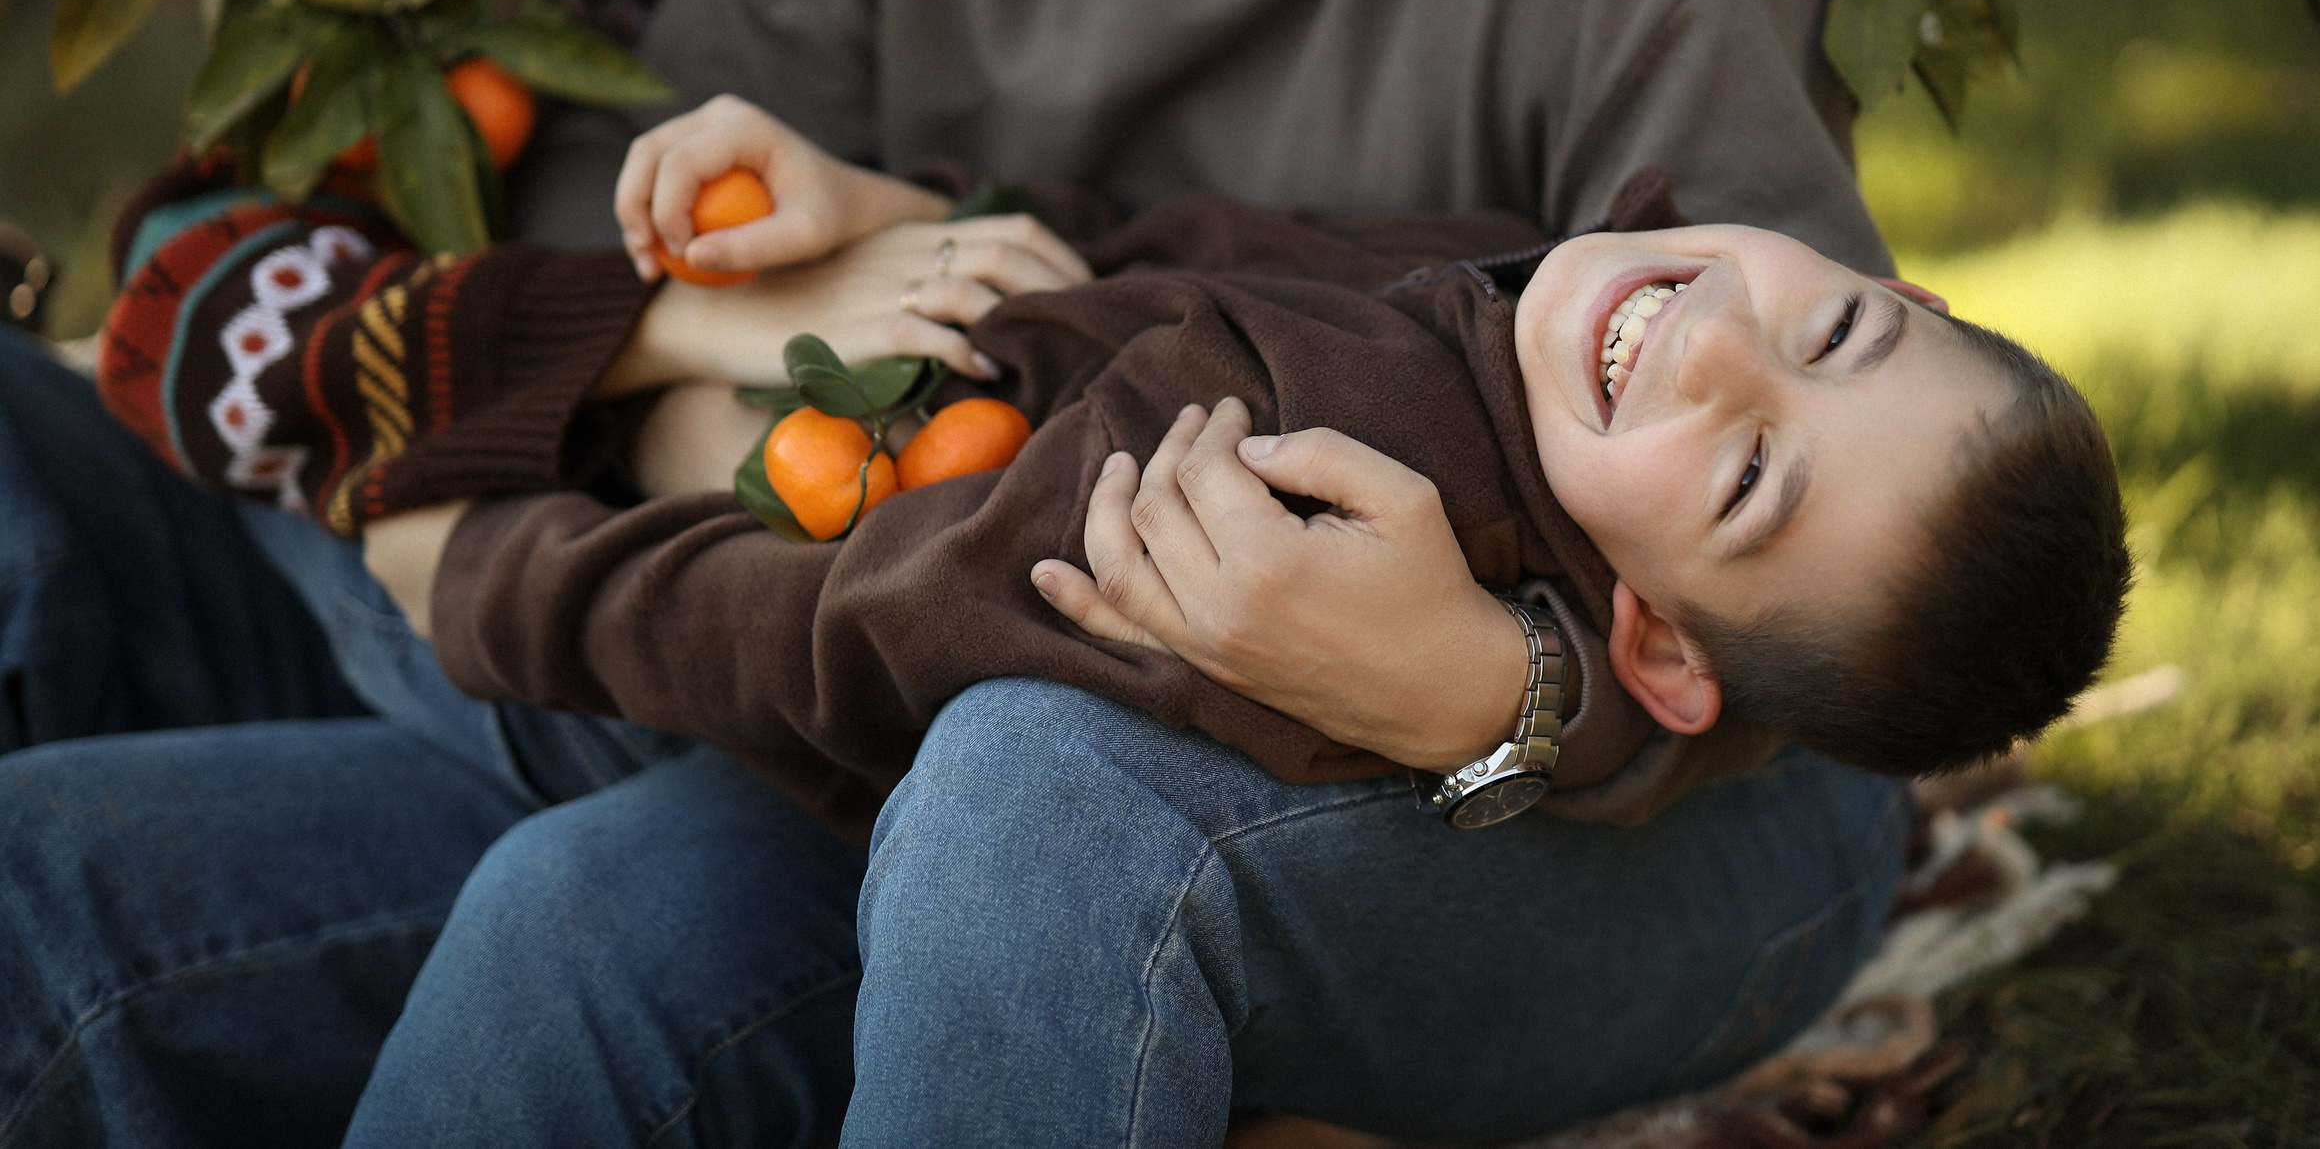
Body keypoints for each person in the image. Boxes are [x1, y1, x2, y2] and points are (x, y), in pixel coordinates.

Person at [12, 0, 1917, 1143]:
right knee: (203, 909)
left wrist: (1508, 689)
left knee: (941, 807)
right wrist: (706, 381)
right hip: (874, 708)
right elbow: (647, 217)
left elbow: (1835, 574)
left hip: (1601, 803)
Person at [0, 0, 986, 1141]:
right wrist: (644, 325)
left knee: (46, 890)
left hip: (621, 693)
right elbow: (190, 301)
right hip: (376, 590)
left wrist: (420, 386)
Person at [401, 103, 2129, 843]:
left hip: (614, 604)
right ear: (1896, 284)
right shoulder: (1499, 298)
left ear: (1662, 649)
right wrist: (900, 212)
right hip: (781, 409)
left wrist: (485, 568)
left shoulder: (1295, 514)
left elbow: (846, 631)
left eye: (1748, 480)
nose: (1719, 346)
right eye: (1833, 336)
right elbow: (1154, 262)